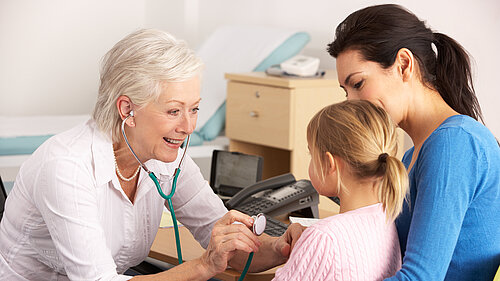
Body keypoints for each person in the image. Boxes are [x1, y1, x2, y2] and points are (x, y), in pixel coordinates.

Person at [0, 29, 302, 281]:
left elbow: (228, 246)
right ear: (127, 110)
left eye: (194, 109)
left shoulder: (165, 158)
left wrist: (280, 247)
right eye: (173, 111)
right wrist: (201, 266)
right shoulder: (67, 166)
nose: (187, 127)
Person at [327, 4, 500, 281]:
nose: (351, 104)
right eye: (346, 91)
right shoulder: (411, 156)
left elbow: (420, 278)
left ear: (404, 65)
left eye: (358, 84)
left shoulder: (454, 144)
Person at [273, 100, 408, 280]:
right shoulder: (388, 219)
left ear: (329, 164)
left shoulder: (324, 238)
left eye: (311, 154)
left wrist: (311, 244)